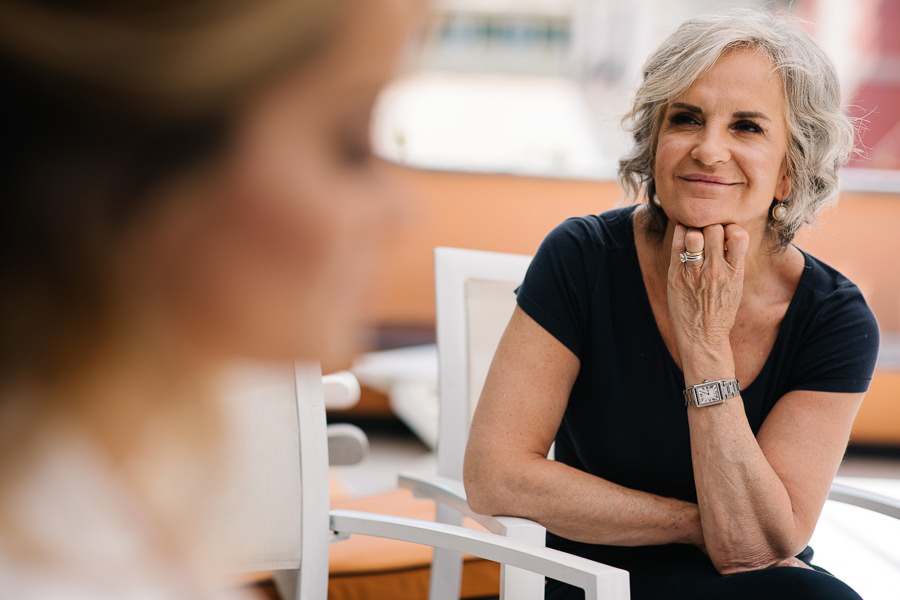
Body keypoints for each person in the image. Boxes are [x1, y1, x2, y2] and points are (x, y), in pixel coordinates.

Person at [0, 0, 420, 597]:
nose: (398, 209)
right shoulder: (54, 567)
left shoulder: (97, 499)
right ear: (146, 165)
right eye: (349, 143)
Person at [464, 9, 879, 600]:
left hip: (754, 580)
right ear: (655, 142)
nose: (709, 151)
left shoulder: (833, 318)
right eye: (686, 119)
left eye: (747, 128)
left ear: (792, 168)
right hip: (593, 572)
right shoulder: (582, 257)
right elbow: (495, 477)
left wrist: (705, 343)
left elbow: (758, 549)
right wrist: (695, 523)